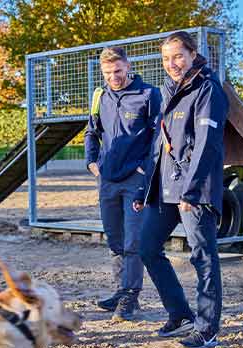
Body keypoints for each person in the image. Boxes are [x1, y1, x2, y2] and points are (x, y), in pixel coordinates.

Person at [133, 31, 229, 348]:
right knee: (147, 247)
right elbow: (160, 144)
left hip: (193, 191)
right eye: (165, 58)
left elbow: (207, 144)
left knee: (202, 255)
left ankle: (207, 328)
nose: (171, 63)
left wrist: (193, 189)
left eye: (177, 56)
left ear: (192, 53)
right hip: (165, 189)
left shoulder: (207, 88)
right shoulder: (170, 90)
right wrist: (143, 190)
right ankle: (180, 314)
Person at [85, 46, 161, 321]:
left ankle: (131, 295)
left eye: (117, 71)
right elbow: (91, 132)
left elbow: (158, 137)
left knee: (133, 240)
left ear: (128, 66)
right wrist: (92, 163)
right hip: (106, 178)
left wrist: (145, 169)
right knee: (114, 239)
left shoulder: (148, 95)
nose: (113, 77)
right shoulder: (100, 96)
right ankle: (120, 290)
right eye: (107, 73)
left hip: (135, 180)